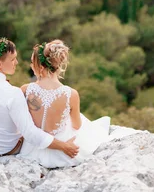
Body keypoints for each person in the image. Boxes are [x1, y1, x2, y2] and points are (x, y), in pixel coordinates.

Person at [0, 38, 79, 159]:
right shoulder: (13, 93)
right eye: (13, 59)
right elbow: (30, 133)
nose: (16, 62)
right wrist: (63, 146)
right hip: (7, 150)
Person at [18, 39, 111, 168]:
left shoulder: (25, 89)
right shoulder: (71, 94)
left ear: (40, 67)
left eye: (32, 62)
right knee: (82, 121)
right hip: (59, 152)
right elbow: (77, 126)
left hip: (31, 150)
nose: (30, 65)